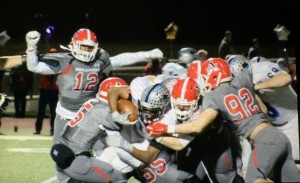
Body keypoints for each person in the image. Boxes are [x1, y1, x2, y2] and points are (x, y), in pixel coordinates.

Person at [25, 28, 162, 182]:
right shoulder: (65, 60)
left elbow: (121, 59)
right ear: (74, 45)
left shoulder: (100, 58)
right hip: (66, 114)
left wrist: (147, 54)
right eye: (83, 46)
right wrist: (31, 48)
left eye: (89, 47)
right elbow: (34, 67)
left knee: (107, 148)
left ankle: (107, 175)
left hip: (91, 114)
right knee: (62, 154)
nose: (86, 51)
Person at [146, 58, 300, 182]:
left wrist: (167, 129)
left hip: (263, 141)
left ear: (215, 76)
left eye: (206, 77)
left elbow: (198, 127)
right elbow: (264, 110)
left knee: (255, 180)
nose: (204, 81)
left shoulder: (213, 97)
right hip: (277, 135)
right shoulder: (244, 80)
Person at [106, 80, 201, 182]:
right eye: (144, 109)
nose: (146, 114)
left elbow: (149, 156)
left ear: (164, 108)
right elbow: (113, 91)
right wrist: (115, 113)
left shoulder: (169, 119)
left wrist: (125, 145)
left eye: (152, 111)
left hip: (147, 141)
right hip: (131, 129)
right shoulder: (138, 90)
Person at [50, 77, 136, 183]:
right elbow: (127, 124)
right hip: (76, 158)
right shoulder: (104, 111)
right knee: (118, 178)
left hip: (65, 151)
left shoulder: (93, 102)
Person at [227, 55, 299, 167]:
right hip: (274, 123)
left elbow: (286, 78)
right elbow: (264, 110)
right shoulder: (240, 84)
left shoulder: (261, 68)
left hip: (293, 118)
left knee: (295, 160)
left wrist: (256, 87)